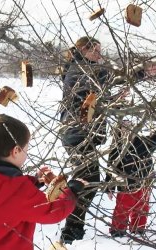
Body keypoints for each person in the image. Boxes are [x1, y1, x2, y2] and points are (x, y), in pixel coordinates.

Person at [0, 114, 85, 249]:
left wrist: (33, 182)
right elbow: (51, 212)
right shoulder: (18, 191)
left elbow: (7, 202)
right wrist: (71, 191)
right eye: (26, 149)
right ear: (16, 151)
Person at [59, 36, 109, 244]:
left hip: (83, 134)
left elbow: (94, 94)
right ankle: (71, 228)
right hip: (78, 134)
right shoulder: (79, 69)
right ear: (82, 50)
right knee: (87, 181)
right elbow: (86, 94)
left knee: (87, 180)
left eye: (100, 49)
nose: (99, 54)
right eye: (95, 50)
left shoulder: (85, 68)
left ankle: (74, 227)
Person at [105, 120, 156, 237]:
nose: (127, 131)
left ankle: (138, 229)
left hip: (145, 180)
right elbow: (111, 167)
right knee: (123, 207)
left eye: (130, 128)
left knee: (142, 207)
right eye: (123, 129)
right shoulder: (117, 148)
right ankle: (118, 229)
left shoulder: (143, 143)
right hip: (126, 183)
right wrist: (109, 187)